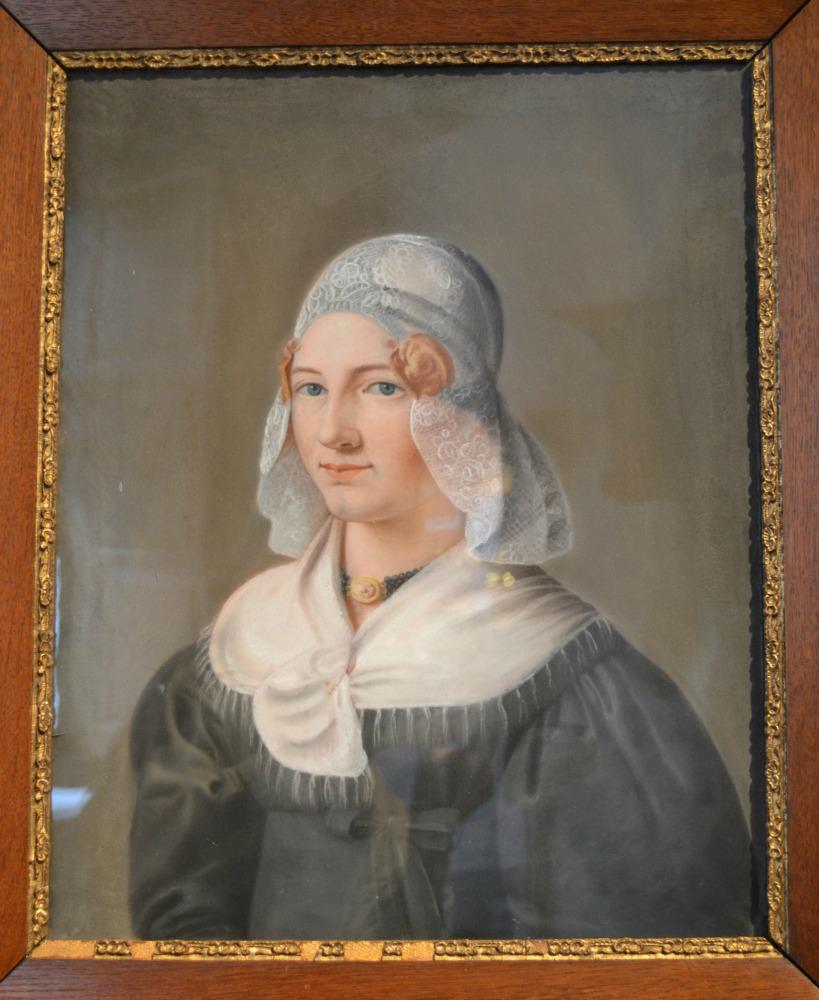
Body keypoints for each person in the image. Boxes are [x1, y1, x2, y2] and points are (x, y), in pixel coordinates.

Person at [129, 234, 752, 941]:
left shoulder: (559, 667)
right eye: (311, 388)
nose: (333, 432)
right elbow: (178, 923)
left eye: (381, 388)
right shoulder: (237, 652)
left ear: (459, 411)